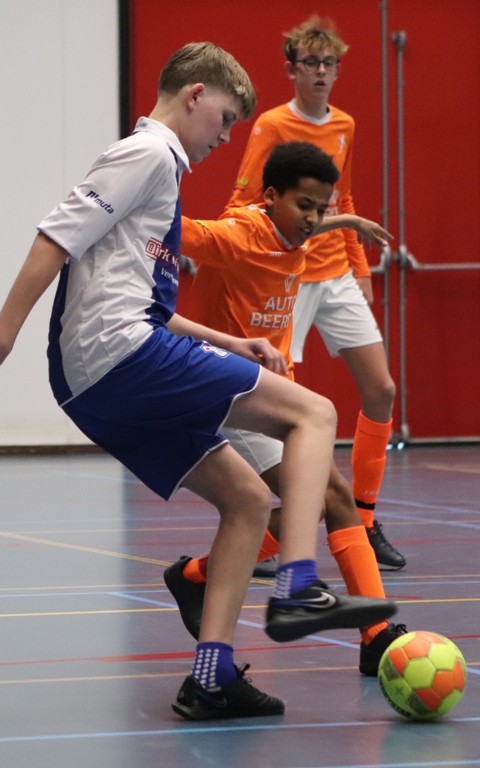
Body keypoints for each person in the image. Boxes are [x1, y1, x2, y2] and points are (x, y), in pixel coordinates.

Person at [0, 43, 396, 721]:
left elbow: (143, 302)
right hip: (120, 357)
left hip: (99, 378)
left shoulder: (159, 178)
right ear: (195, 93)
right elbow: (54, 237)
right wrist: (0, 339)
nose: (227, 136)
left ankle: (211, 678)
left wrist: (228, 341)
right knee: (315, 414)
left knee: (247, 500)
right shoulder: (148, 154)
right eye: (226, 118)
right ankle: (298, 584)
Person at [165, 140, 409, 677]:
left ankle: (196, 577)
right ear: (271, 196)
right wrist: (105, 206)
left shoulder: (295, 229)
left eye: (321, 208)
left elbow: (309, 223)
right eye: (305, 206)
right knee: (332, 495)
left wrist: (346, 221)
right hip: (232, 394)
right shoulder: (237, 236)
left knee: (321, 503)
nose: (313, 219)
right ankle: (377, 635)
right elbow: (174, 229)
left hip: (275, 393)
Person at [225, 15, 405, 570]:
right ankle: (279, 527)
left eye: (330, 63)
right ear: (292, 70)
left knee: (382, 389)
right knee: (287, 401)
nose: (322, 72)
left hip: (337, 274)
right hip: (291, 276)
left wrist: (360, 269)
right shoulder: (272, 125)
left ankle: (364, 517)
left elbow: (342, 200)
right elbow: (242, 204)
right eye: (312, 63)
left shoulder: (345, 124)